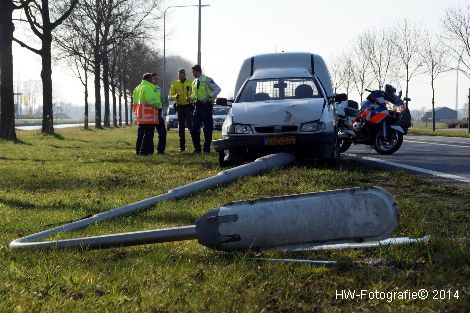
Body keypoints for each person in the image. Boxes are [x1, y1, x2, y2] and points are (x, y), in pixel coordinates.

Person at [190, 64, 221, 153]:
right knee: (194, 128)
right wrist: (190, 97)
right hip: (197, 106)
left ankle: (206, 149)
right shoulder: (194, 82)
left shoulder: (207, 80)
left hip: (206, 106)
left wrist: (208, 97)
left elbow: (218, 89)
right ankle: (197, 148)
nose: (192, 74)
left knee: (207, 129)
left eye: (193, 72)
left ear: (197, 71)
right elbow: (194, 94)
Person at [132, 73, 160, 155]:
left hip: (140, 116)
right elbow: (152, 101)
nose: (153, 80)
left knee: (140, 135)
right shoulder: (147, 87)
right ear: (148, 79)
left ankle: (138, 151)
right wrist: (158, 104)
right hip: (148, 116)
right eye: (151, 79)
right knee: (148, 135)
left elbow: (135, 103)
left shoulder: (137, 88)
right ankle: (143, 152)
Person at [168, 68, 194, 152]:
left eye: (182, 75)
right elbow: (169, 96)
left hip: (188, 107)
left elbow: (195, 94)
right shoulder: (175, 84)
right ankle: (182, 148)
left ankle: (196, 147)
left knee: (191, 126)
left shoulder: (190, 83)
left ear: (185, 75)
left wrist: (191, 98)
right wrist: (175, 96)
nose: (180, 76)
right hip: (180, 107)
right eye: (179, 75)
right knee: (181, 128)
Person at [151, 73, 167, 154]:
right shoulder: (149, 88)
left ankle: (160, 151)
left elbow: (160, 100)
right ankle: (150, 151)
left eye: (157, 79)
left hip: (158, 112)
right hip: (150, 113)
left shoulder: (159, 88)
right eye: (154, 79)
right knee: (150, 134)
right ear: (151, 79)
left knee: (163, 132)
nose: (156, 80)